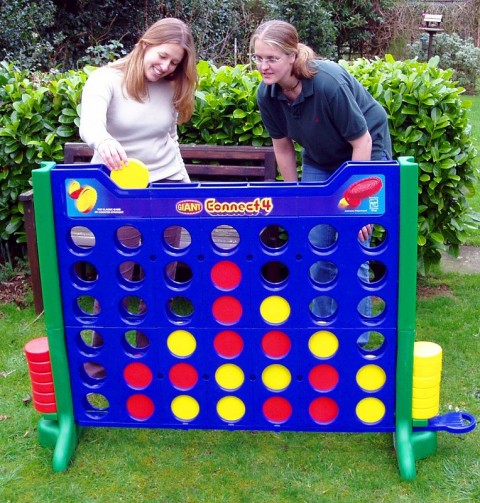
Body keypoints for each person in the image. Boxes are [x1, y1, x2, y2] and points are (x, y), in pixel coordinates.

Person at [250, 20, 392, 332]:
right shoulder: (267, 93)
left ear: (291, 56)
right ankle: (323, 329)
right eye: (258, 58)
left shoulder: (327, 83)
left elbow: (362, 141)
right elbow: (283, 148)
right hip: (320, 159)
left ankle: (359, 335)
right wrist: (293, 198)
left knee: (355, 240)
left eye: (271, 58)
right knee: (318, 244)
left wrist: (357, 205)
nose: (263, 66)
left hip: (365, 152)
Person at [78, 18, 198, 375]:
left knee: (163, 274)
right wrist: (104, 141)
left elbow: (169, 140)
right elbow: (90, 125)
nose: (165, 67)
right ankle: (100, 360)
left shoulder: (170, 85)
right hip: (118, 191)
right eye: (162, 57)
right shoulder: (105, 79)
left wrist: (186, 186)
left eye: (174, 63)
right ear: (145, 44)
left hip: (167, 189)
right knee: (118, 274)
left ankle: (149, 355)